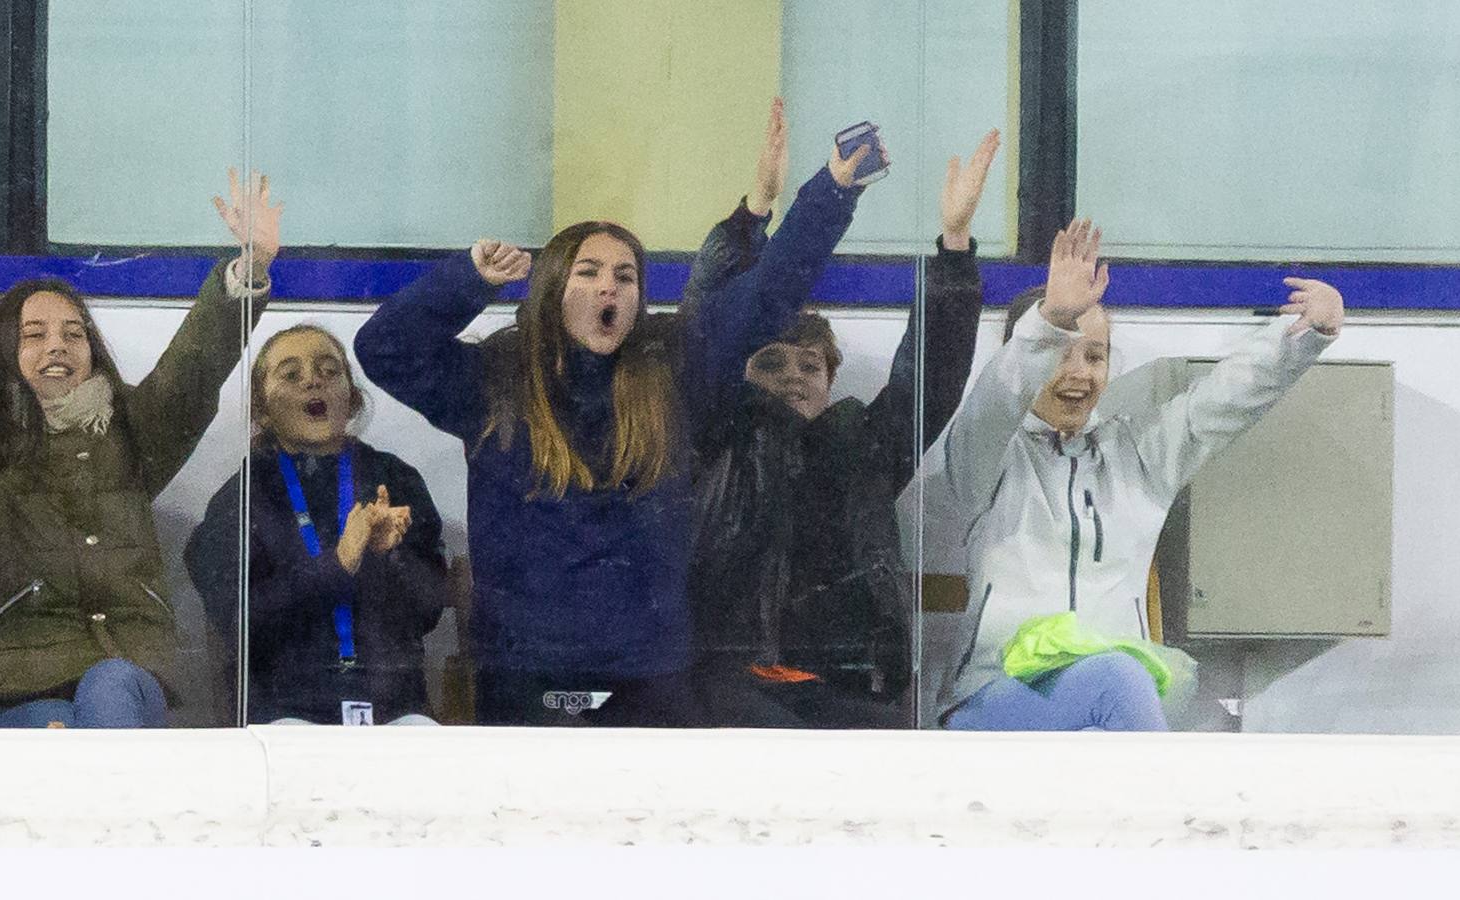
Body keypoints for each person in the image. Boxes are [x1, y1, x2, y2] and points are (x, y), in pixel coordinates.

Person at [353, 123, 874, 727]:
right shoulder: (495, 381)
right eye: (588, 272)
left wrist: (832, 189)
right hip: (528, 672)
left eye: (625, 277)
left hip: (649, 671)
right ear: (551, 289)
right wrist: (468, 281)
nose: (610, 286)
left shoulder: (675, 368)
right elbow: (384, 348)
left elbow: (767, 293)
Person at [0, 170, 278, 727]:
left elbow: (192, 374)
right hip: (11, 687)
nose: (58, 345)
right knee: (64, 729)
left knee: (112, 685)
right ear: (4, 353)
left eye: (74, 334)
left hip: (127, 667)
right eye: (34, 335)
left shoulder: (131, 431)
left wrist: (253, 268)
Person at [936, 218, 1345, 730]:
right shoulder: (985, 457)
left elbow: (1220, 403)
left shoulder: (1137, 459)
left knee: (1190, 715)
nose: (1079, 373)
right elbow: (994, 402)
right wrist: (1050, 319)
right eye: (1059, 353)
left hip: (1110, 703)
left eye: (1095, 355)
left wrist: (1303, 337)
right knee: (1120, 681)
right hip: (993, 696)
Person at [686, 115, 1000, 729]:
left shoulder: (864, 445)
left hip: (857, 680)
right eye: (771, 361)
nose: (795, 375)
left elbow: (929, 378)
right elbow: (709, 321)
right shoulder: (715, 434)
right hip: (737, 678)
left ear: (830, 381)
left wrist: (955, 247)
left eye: (810, 364)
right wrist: (756, 213)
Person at [186, 324, 449, 725]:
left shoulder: (395, 479)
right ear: (261, 408)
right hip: (285, 712)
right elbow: (239, 621)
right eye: (291, 375)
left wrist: (390, 555)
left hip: (394, 711)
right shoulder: (240, 497)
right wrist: (337, 563)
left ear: (352, 397)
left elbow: (429, 610)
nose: (313, 381)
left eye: (329, 371)